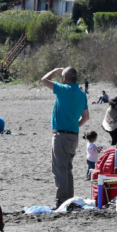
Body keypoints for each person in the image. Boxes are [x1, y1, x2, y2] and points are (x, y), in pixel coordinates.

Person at [41, 67, 90, 207]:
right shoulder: (81, 94)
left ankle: (62, 199)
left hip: (61, 134)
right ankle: (69, 198)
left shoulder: (64, 89)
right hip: (73, 135)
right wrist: (74, 125)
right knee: (67, 167)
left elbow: (43, 80)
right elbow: (86, 117)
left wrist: (55, 70)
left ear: (64, 78)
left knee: (59, 168)